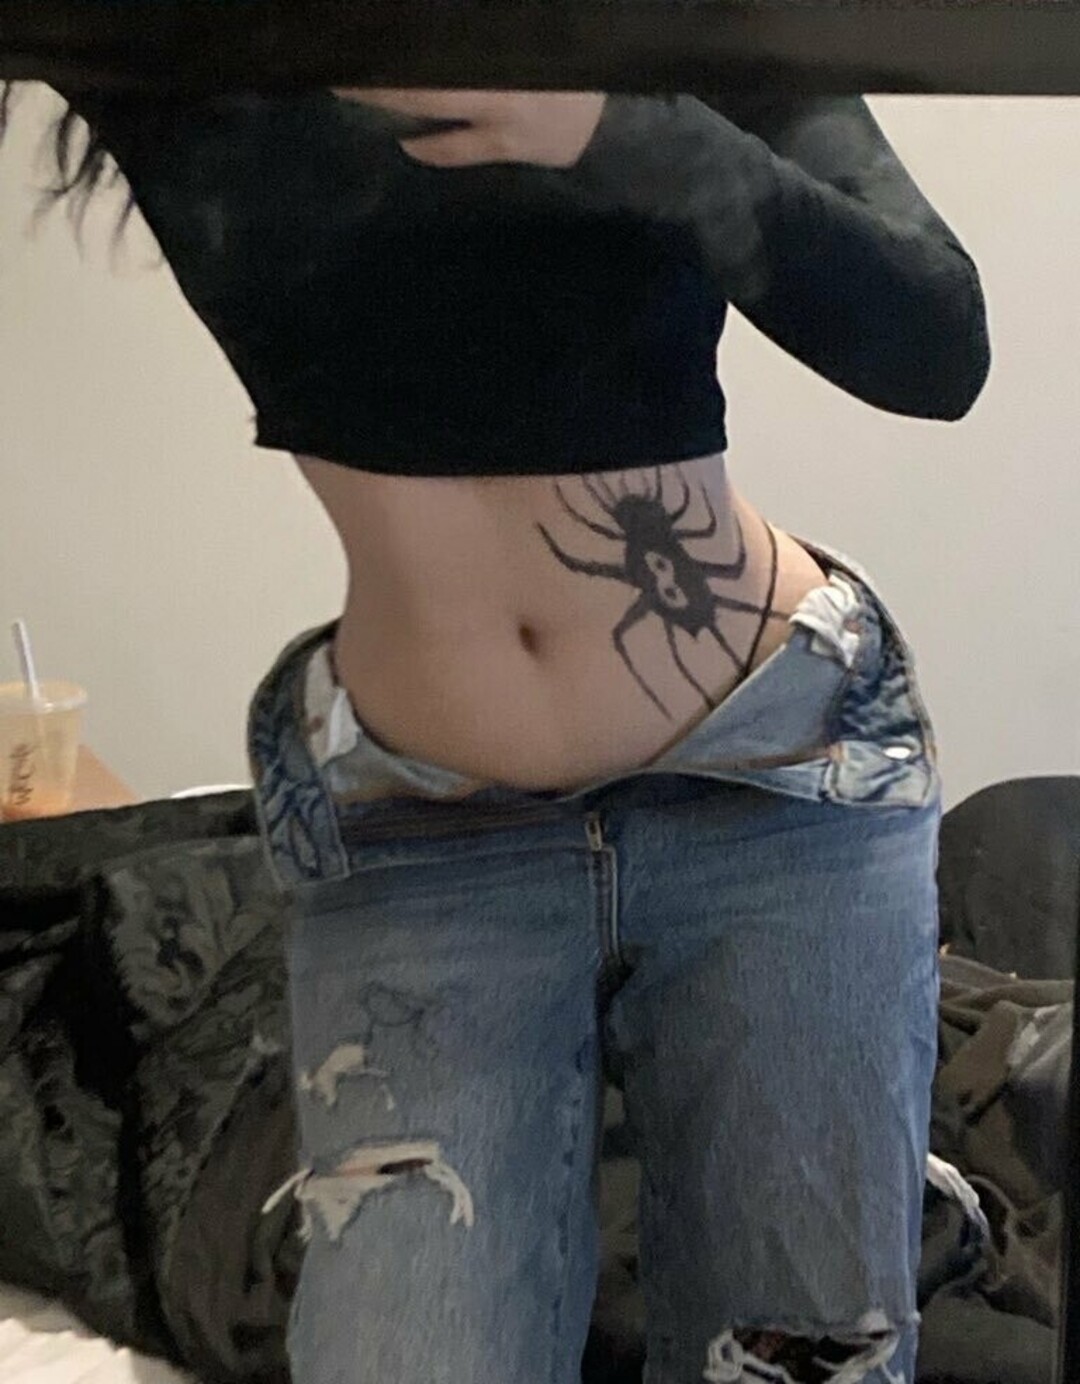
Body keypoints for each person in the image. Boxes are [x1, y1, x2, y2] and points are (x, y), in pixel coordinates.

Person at [2, 73, 990, 1384]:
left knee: (799, 1353)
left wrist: (617, 131)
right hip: (421, 828)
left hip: (778, 782)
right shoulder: (189, 50)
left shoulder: (664, 36)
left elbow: (937, 343)